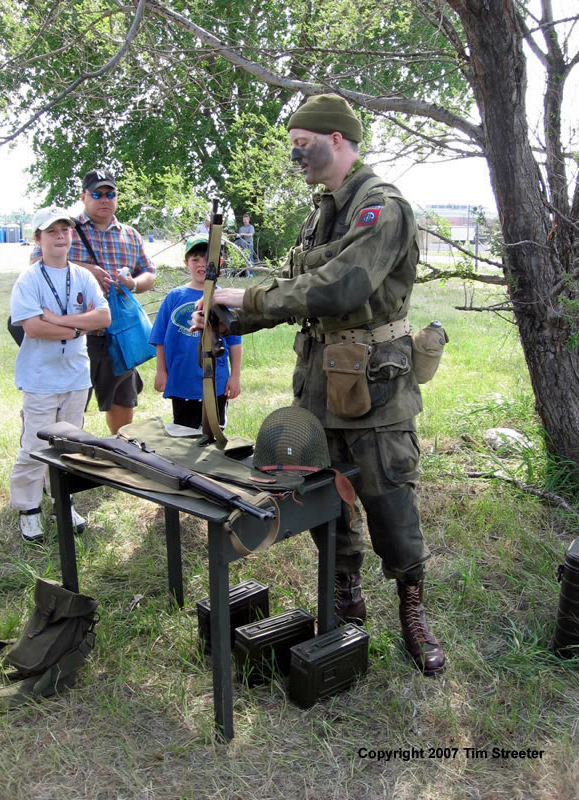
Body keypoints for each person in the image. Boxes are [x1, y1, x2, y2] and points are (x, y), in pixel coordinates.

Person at [191, 94, 445, 676]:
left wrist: (243, 296)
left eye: (302, 146)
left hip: (376, 389)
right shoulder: (320, 210)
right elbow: (295, 281)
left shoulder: (381, 206)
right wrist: (232, 316)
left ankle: (411, 606)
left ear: (336, 139)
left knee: (388, 499)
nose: (295, 157)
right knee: (322, 494)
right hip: (318, 385)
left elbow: (340, 287)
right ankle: (344, 591)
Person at [10, 207, 111, 542]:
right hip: (40, 378)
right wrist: (71, 326)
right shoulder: (29, 280)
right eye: (51, 231)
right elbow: (33, 328)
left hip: (76, 377)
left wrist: (58, 320)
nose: (59, 236)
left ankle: (61, 500)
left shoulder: (82, 276)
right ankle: (28, 507)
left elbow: (103, 318)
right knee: (33, 446)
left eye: (64, 229)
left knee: (68, 446)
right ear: (38, 239)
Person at [31, 168, 156, 434]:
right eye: (97, 193)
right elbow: (35, 262)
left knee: (122, 400)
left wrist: (133, 283)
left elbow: (149, 274)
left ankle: (121, 455)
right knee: (70, 403)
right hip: (75, 334)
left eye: (110, 193)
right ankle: (68, 459)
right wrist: (86, 269)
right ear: (83, 196)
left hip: (120, 333)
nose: (104, 199)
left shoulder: (130, 234)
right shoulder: (65, 228)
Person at [151, 235, 242, 429]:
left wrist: (235, 377)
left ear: (220, 263)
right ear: (186, 263)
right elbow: (160, 338)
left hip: (215, 383)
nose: (202, 264)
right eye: (195, 259)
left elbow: (235, 342)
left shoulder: (223, 298)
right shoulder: (174, 297)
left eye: (208, 260)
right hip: (182, 380)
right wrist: (161, 371)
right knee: (183, 436)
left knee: (214, 434)